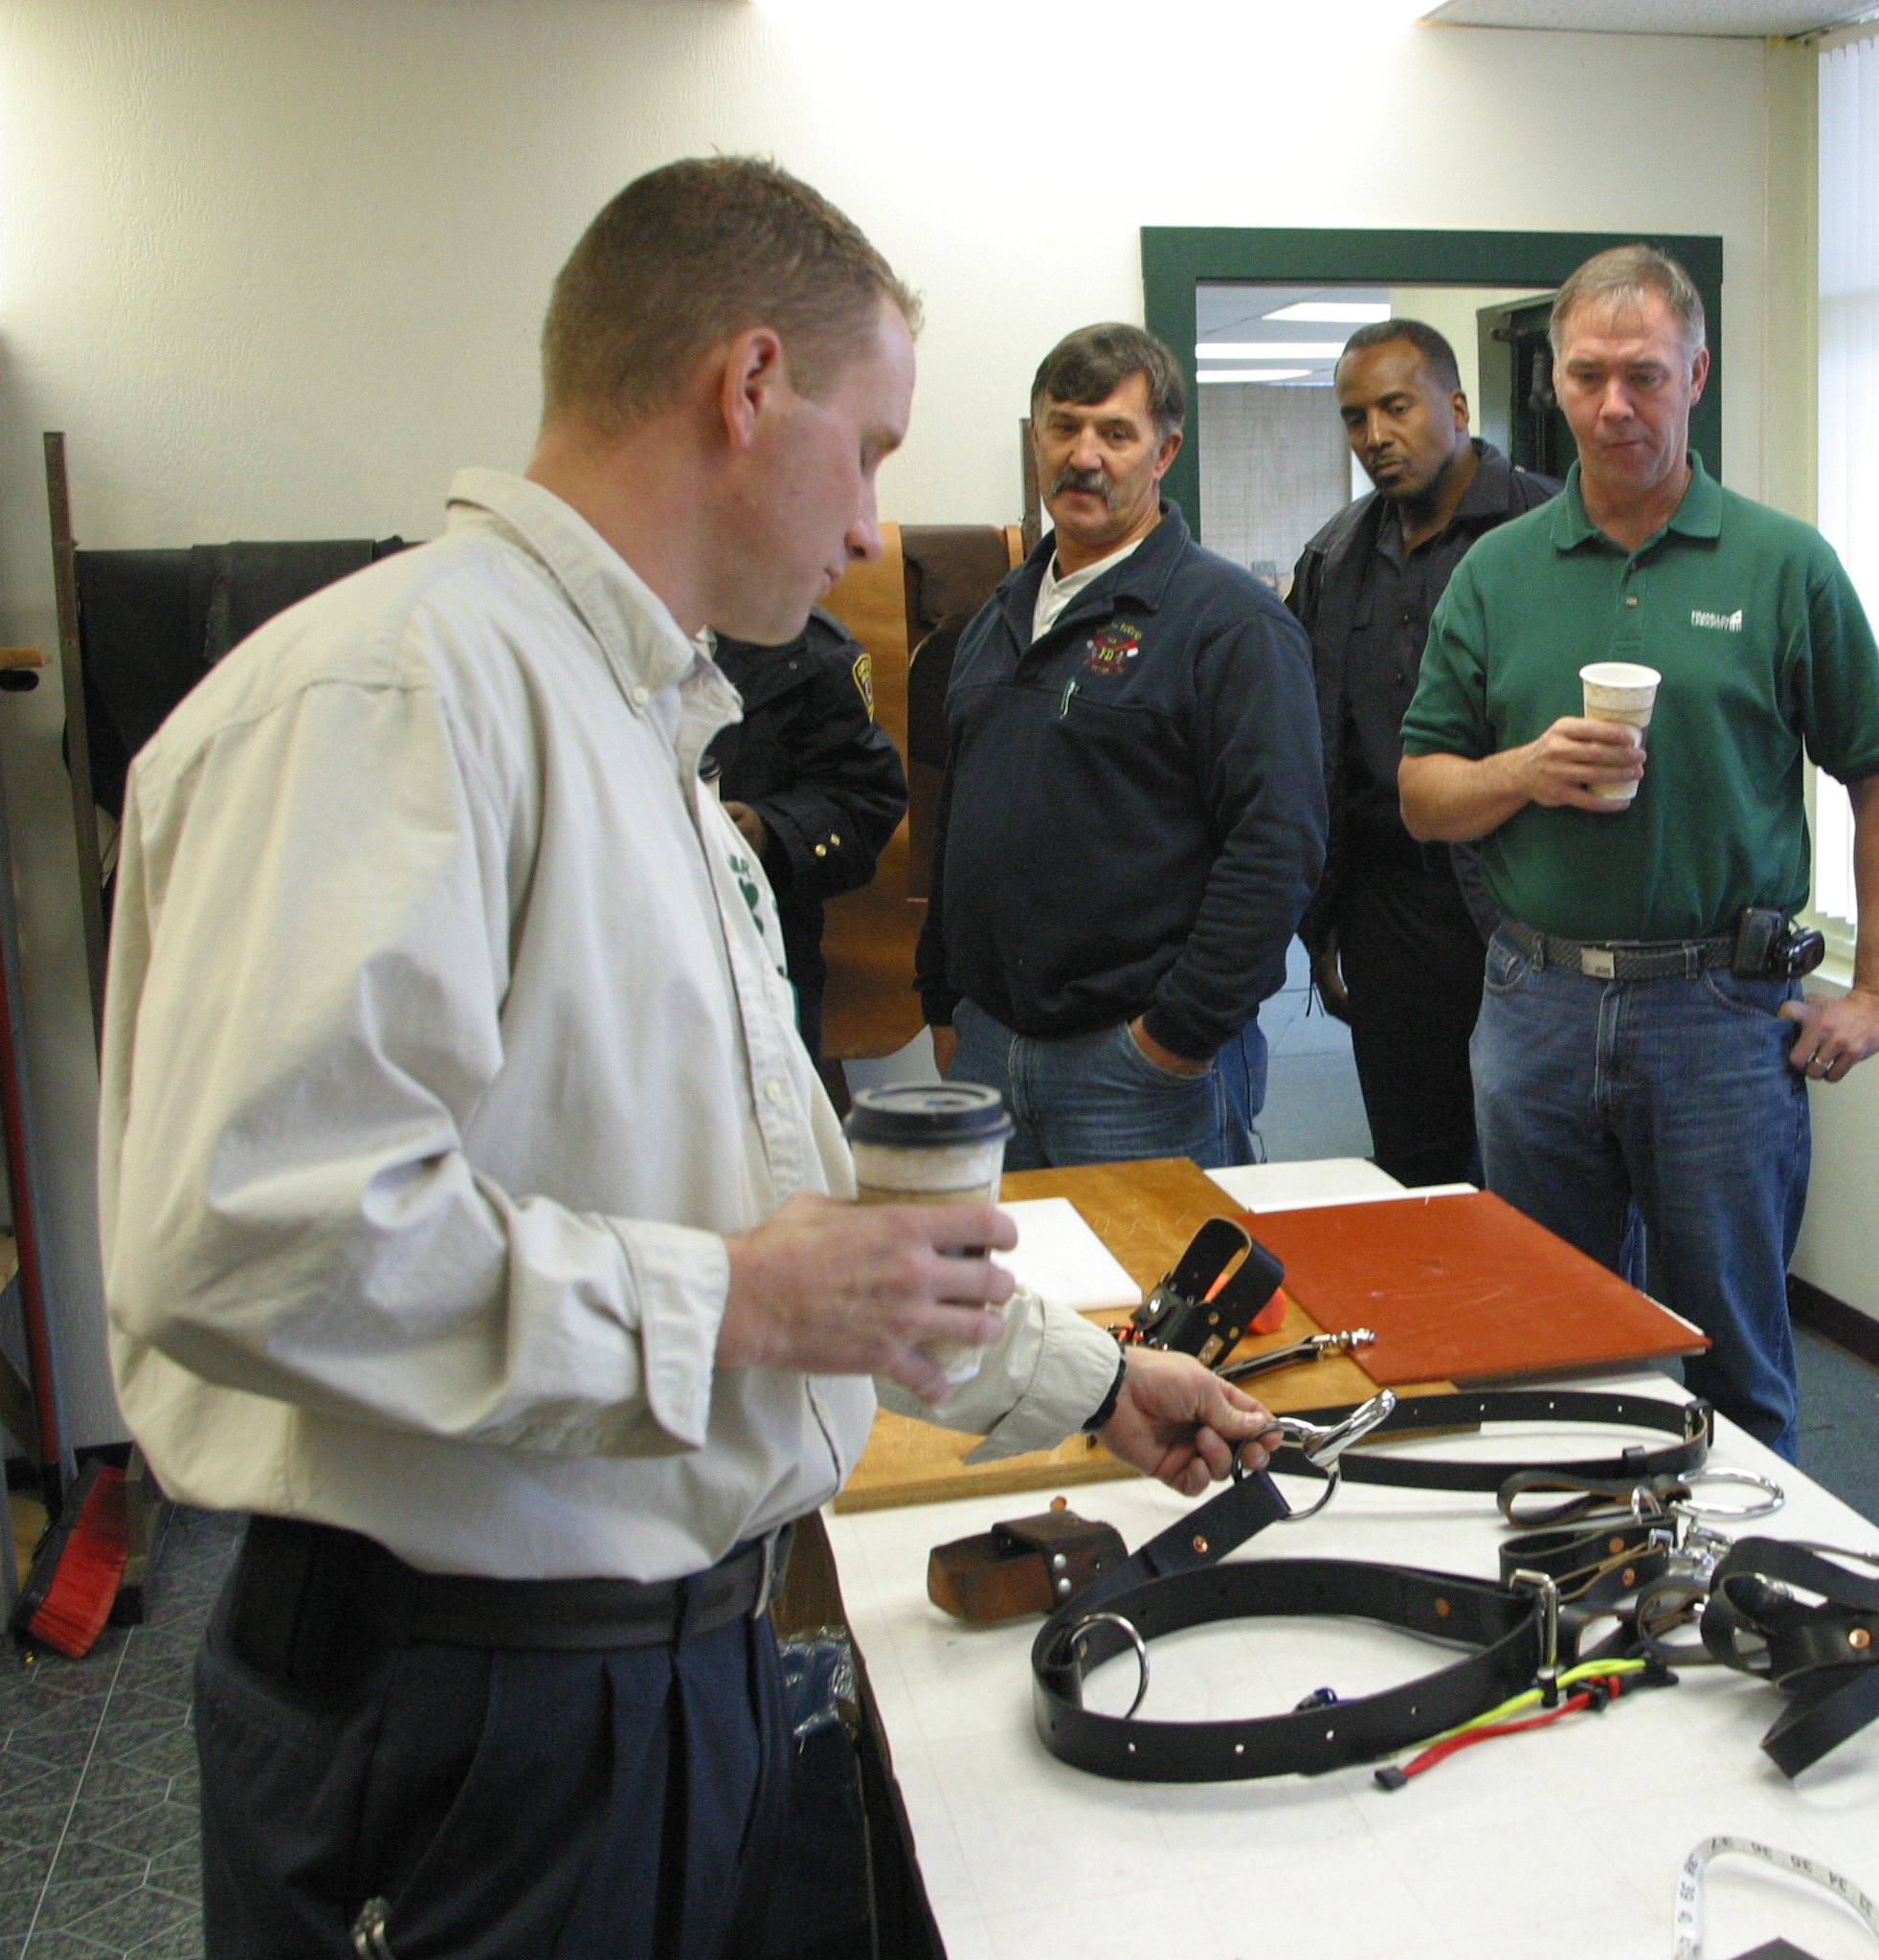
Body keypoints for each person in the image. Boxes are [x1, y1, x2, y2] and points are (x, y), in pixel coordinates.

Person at [97, 158, 1273, 1960]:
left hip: (668, 1672)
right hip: (472, 1713)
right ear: (744, 388)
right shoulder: (396, 697)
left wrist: (1088, 1384)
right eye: (871, 448)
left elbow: (787, 1232)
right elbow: (246, 1240)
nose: (876, 529)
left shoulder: (657, 741)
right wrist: (726, 1301)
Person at [1400, 244, 1879, 1458]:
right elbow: (1424, 793)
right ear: (1558, 386)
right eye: (1586, 376)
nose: (1613, 405)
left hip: (1721, 1011)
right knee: (1547, 1347)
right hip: (1535, 1005)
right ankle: (1573, 1607)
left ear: (1696, 371)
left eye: (1643, 374)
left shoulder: (1784, 564)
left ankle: (1742, 1606)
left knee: (1735, 1363)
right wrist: (1526, 770)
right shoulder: (1498, 570)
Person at [919, 323, 1324, 1171]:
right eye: (1063, 427)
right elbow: (958, 820)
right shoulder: (997, 618)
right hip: (990, 1049)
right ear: (1036, 439)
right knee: (1022, 1301)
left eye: (1115, 432)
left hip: (1137, 1069)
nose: (1084, 456)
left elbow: (1278, 843)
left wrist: (1178, 1033)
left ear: (1165, 450)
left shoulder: (1231, 624)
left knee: (1153, 1304)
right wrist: (943, 1003)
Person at [1289, 319, 1558, 1190]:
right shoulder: (1335, 557)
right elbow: (1316, 747)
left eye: (1396, 408)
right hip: (1388, 907)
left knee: (1540, 1170)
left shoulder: (1549, 532)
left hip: (1526, 894)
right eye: (1355, 417)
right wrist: (1321, 916)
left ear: (1456, 404)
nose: (1375, 437)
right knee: (1415, 1170)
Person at [705, 605, 909, 1056]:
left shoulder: (808, 645)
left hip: (762, 964)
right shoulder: (591, 622)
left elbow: (867, 797)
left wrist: (768, 832)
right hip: (608, 953)